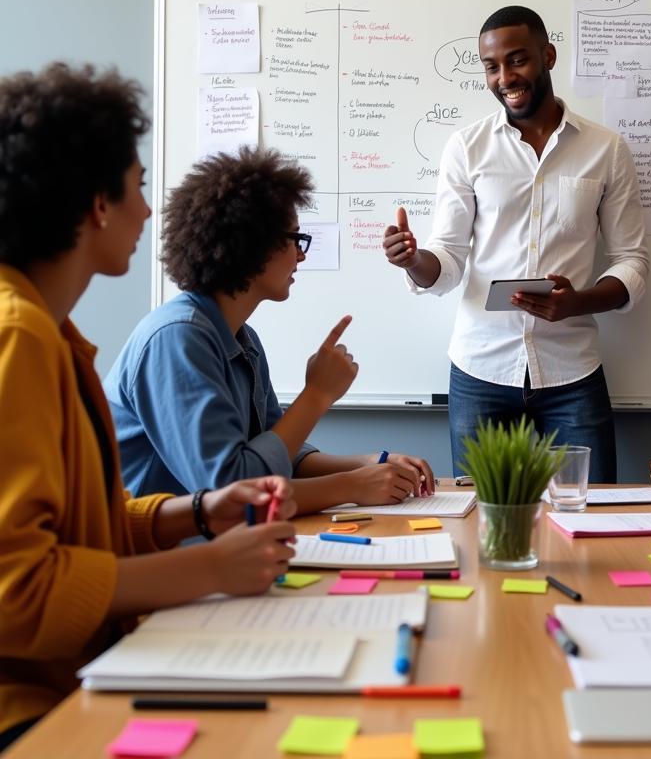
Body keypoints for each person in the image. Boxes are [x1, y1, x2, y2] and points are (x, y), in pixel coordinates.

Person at [0, 64, 297, 753]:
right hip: (31, 705)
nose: (149, 210)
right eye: (137, 187)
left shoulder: (53, 335)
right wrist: (211, 567)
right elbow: (18, 589)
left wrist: (197, 514)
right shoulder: (20, 339)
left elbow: (85, 531)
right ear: (95, 203)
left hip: (79, 672)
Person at [382, 5, 648, 480]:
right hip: (480, 368)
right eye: (491, 66)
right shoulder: (467, 147)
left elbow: (631, 260)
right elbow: (448, 258)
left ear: (547, 56)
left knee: (588, 514)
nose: (505, 77)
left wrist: (578, 302)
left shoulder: (606, 149)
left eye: (517, 60)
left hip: (571, 371)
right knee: (484, 521)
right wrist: (412, 260)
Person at [105, 148, 435, 514]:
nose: (301, 255)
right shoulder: (176, 340)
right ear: (253, 243)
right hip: (158, 560)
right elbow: (236, 492)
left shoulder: (242, 340)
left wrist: (370, 463)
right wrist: (318, 398)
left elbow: (278, 452)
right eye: (296, 239)